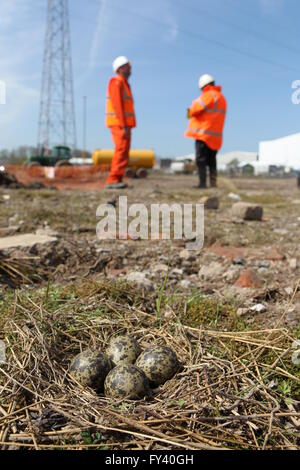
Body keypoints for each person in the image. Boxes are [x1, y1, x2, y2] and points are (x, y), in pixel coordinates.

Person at [185, 74, 227, 188]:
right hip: (216, 136)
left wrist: (189, 111)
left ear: (203, 86)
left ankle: (202, 183)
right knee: (212, 161)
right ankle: (213, 183)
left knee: (201, 160)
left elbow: (194, 110)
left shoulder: (208, 95)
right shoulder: (222, 98)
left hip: (203, 134)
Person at [105, 56, 136, 190]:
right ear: (120, 68)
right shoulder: (116, 82)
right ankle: (112, 179)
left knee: (123, 151)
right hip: (119, 124)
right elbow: (117, 106)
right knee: (121, 150)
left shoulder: (123, 83)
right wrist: (123, 125)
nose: (130, 68)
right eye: (127, 66)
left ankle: (117, 179)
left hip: (124, 124)